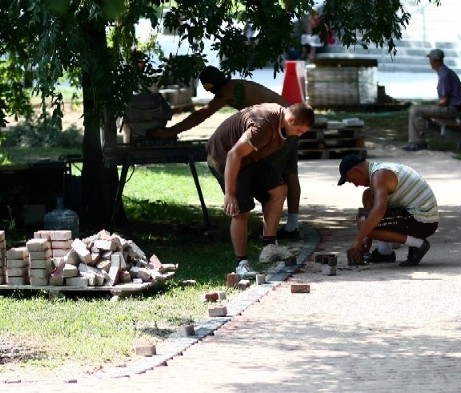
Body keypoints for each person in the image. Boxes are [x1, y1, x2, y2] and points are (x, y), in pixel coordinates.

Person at [148, 66, 303, 238]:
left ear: (210, 86)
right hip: (290, 123)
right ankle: (292, 226)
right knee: (289, 173)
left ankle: (268, 232)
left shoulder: (228, 90)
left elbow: (203, 114)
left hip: (280, 126)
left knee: (268, 177)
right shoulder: (236, 86)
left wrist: (169, 132)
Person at [207, 102, 315, 278]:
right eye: (300, 131)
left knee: (279, 190)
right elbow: (233, 154)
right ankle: (241, 264)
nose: (299, 135)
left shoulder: (282, 123)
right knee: (240, 211)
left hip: (249, 160)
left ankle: (269, 247)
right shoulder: (263, 126)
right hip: (224, 159)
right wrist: (230, 193)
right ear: (291, 119)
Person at [337, 154, 438, 267]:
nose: (355, 185)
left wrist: (359, 239)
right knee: (368, 196)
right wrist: (367, 235)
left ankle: (419, 244)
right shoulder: (379, 169)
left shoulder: (379, 175)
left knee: (363, 222)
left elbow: (379, 211)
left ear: (356, 171)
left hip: (424, 221)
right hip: (419, 217)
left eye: (352, 180)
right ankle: (384, 252)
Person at [404, 48, 461, 152]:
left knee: (415, 110)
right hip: (451, 107)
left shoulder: (444, 75)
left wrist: (434, 105)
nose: (429, 62)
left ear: (435, 61)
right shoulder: (444, 72)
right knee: (416, 109)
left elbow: (444, 101)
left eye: (430, 60)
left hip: (450, 110)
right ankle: (417, 141)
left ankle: (417, 143)